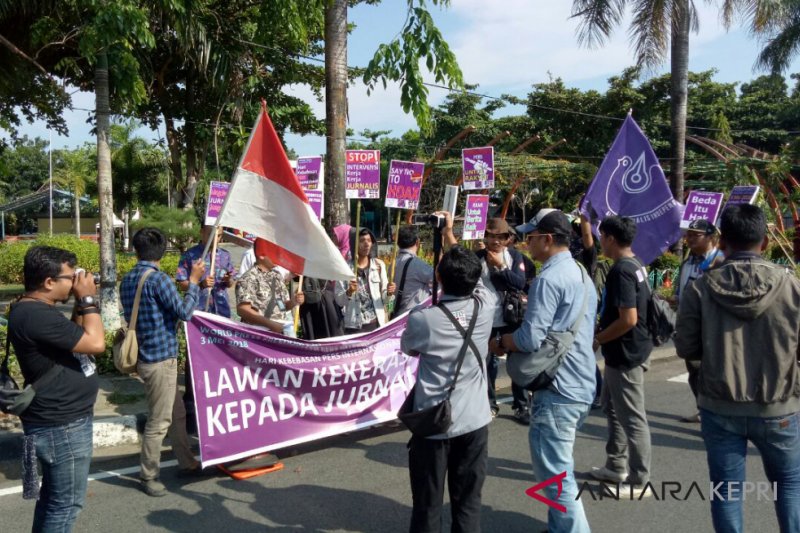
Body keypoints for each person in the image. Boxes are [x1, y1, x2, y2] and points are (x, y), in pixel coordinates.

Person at [675, 204, 800, 533]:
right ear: (764, 242)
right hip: (780, 404)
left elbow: (685, 347)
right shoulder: (791, 286)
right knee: (788, 486)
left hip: (719, 405)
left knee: (726, 492)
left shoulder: (700, 288)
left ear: (724, 242)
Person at [493, 209, 597, 533]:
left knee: (554, 475)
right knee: (558, 468)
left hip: (558, 389)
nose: (526, 243)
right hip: (581, 381)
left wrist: (502, 341)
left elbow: (529, 338)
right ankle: (558, 528)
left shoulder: (548, 279)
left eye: (531, 237)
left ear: (547, 239)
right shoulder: (581, 272)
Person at [401, 211, 496, 533]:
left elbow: (409, 349)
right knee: (468, 502)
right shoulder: (486, 305)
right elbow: (476, 275)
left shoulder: (423, 319)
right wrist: (450, 234)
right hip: (476, 420)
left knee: (427, 504)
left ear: (438, 278)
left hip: (434, 422)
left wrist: (447, 237)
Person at [7, 246, 105, 532]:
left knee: (52, 500)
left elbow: (74, 338)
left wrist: (78, 303)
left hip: (58, 422)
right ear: (49, 282)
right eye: (69, 276)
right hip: (62, 426)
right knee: (65, 505)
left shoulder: (34, 309)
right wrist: (87, 298)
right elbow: (96, 344)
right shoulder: (35, 315)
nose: (75, 280)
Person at [121, 228, 206, 497]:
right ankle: (148, 475)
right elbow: (185, 313)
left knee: (177, 414)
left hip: (147, 357)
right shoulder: (159, 280)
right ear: (162, 250)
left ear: (136, 250)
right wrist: (194, 282)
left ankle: (187, 462)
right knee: (159, 421)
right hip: (160, 359)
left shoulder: (129, 278)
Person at [591, 215, 653, 496]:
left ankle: (639, 481)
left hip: (626, 353)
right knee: (613, 409)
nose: (599, 241)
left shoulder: (622, 271)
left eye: (601, 236)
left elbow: (628, 318)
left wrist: (598, 338)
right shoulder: (636, 264)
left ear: (611, 238)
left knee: (632, 418)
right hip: (628, 351)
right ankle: (616, 465)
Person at [475, 218, 532, 423]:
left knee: (517, 361)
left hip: (511, 317)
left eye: (500, 237)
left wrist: (501, 267)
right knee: (487, 363)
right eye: (491, 236)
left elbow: (520, 283)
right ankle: (490, 403)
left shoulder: (515, 256)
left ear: (507, 239)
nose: (496, 241)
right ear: (486, 237)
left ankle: (521, 405)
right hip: (486, 319)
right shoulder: (477, 257)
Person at [673, 218, 724, 423]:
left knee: (712, 372)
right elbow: (682, 291)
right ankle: (703, 409)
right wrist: (674, 299)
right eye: (688, 234)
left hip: (713, 327)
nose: (690, 238)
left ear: (711, 237)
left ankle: (715, 412)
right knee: (694, 369)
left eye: (696, 235)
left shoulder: (720, 262)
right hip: (690, 327)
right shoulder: (687, 263)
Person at [236, 238, 304, 333]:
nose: (278, 256)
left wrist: (293, 302)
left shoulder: (277, 276)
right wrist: (270, 324)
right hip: (259, 335)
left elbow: (281, 306)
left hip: (279, 332)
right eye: (274, 252)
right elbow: (243, 310)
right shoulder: (248, 278)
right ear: (262, 255)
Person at [570, 212, 603, 410]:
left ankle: (598, 392)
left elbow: (588, 238)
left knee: (585, 352)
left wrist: (584, 219)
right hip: (570, 306)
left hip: (584, 307)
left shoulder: (588, 254)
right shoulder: (568, 249)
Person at [341, 228, 395, 334]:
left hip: (376, 325)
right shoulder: (345, 269)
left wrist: (389, 293)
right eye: (362, 241)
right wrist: (349, 292)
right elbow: (339, 301)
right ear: (354, 244)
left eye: (369, 241)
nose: (366, 244)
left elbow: (385, 300)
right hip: (354, 328)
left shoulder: (379, 265)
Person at [391, 225, 433, 317]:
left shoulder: (393, 263)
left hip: (397, 316)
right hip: (413, 315)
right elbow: (439, 279)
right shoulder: (418, 264)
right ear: (417, 242)